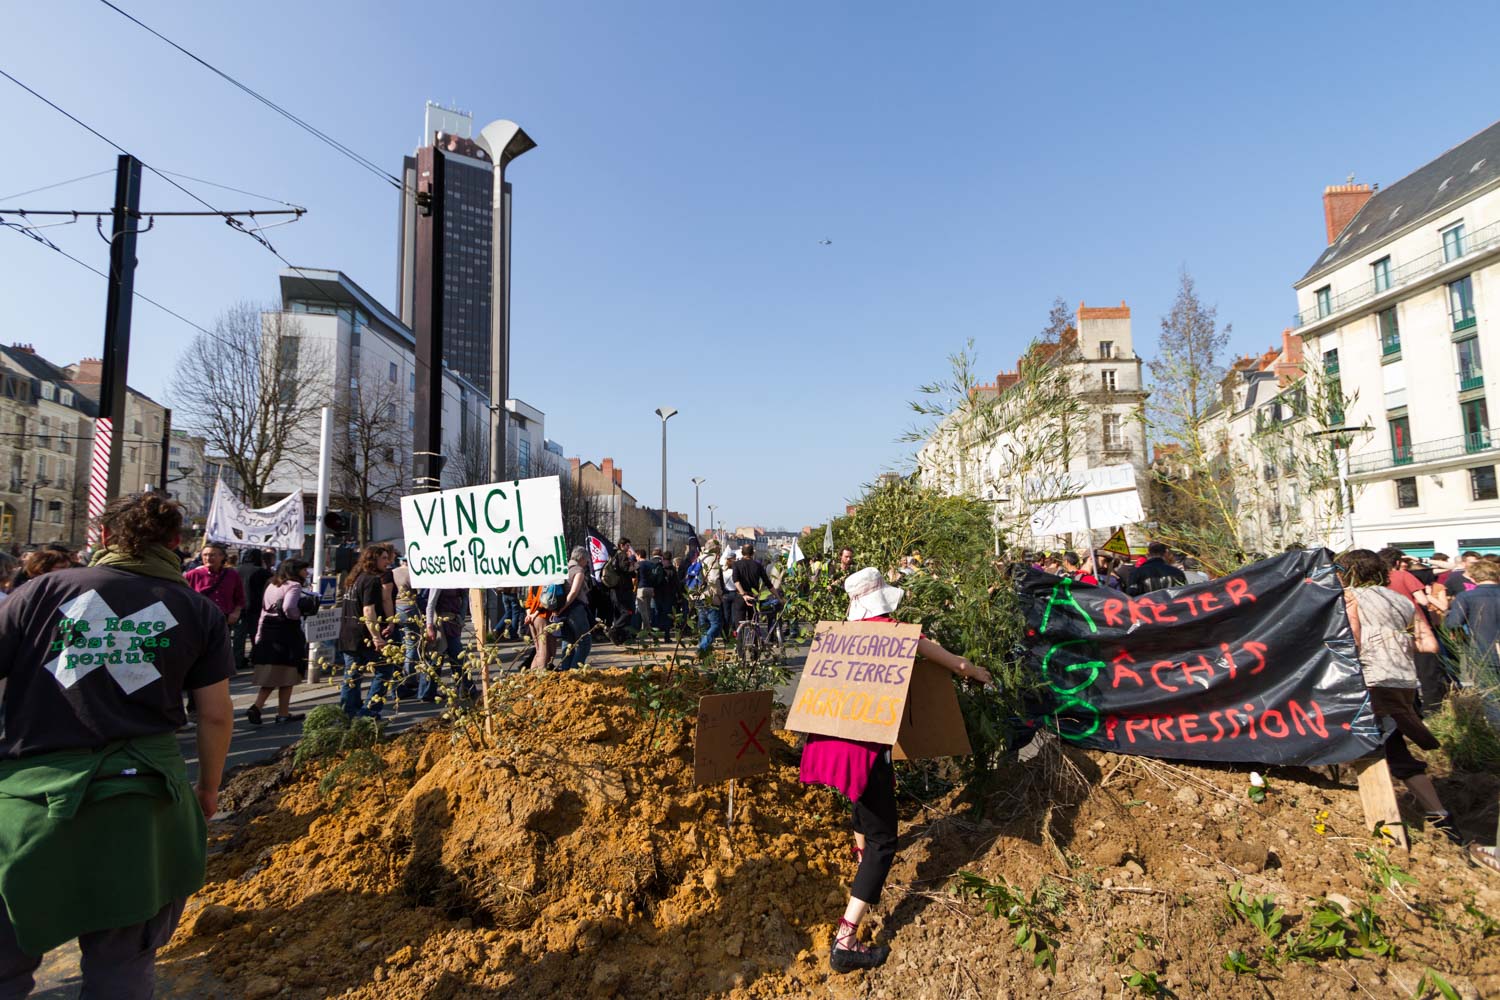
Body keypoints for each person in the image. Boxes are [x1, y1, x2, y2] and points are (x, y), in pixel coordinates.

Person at [0, 492, 233, 998]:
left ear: (104, 536)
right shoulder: (197, 610)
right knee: (122, 966)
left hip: (31, 806)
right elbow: (215, 713)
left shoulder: (41, 591)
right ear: (176, 543)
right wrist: (208, 788)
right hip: (142, 811)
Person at [801, 568, 992, 973]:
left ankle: (861, 868)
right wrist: (974, 672)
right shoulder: (896, 634)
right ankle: (845, 941)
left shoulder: (839, 637)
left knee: (861, 804)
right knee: (885, 841)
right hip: (864, 752)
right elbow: (949, 661)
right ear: (883, 601)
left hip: (829, 744)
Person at [1339, 549, 1456, 840]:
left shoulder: (1349, 597)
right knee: (1394, 744)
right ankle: (1441, 816)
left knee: (1381, 747)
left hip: (1371, 680)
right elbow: (1428, 644)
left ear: (1349, 571)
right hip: (1404, 681)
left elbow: (1351, 641)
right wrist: (1392, 641)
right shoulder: (1401, 601)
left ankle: (1389, 825)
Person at [247, 558, 316, 725]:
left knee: (274, 673)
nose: (306, 573)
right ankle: (278, 712)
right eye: (304, 569)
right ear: (294, 570)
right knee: (288, 673)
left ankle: (265, 708)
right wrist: (299, 614)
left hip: (268, 631)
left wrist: (258, 635)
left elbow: (264, 610)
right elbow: (289, 608)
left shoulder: (272, 584)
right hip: (286, 632)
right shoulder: (294, 585)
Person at [337, 545, 394, 718]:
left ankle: (348, 714)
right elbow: (368, 610)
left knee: (352, 675)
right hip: (363, 636)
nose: (388, 561)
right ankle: (369, 711)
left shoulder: (354, 579)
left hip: (347, 634)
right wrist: (376, 637)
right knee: (385, 670)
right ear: (373, 560)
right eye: (384, 558)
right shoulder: (371, 580)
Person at [1431, 556, 1500, 671]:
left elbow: (1454, 623)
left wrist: (1447, 614)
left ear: (1472, 578)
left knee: (1489, 687)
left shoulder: (1466, 596)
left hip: (1482, 651)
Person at [420, 589, 471, 702]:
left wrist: (461, 619)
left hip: (453, 623)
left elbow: (465, 599)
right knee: (445, 658)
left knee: (451, 658)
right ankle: (466, 689)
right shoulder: (439, 581)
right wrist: (429, 627)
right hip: (440, 625)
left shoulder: (457, 581)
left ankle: (464, 690)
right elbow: (430, 605)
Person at [185, 543, 245, 636]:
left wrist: (236, 613)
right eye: (205, 555)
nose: (208, 558)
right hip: (200, 620)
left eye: (212, 555)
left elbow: (240, 597)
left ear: (222, 556)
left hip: (224, 620)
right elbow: (183, 598)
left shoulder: (232, 574)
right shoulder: (192, 575)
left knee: (221, 649)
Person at [556, 547, 595, 671]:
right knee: (585, 642)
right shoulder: (578, 571)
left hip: (564, 610)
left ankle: (565, 671)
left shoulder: (563, 569)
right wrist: (564, 607)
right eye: (587, 560)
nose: (587, 563)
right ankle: (574, 670)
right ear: (582, 558)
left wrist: (560, 610)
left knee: (568, 641)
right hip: (575, 609)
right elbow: (574, 592)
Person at [234, 549, 272, 673]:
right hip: (256, 608)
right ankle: (256, 658)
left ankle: (237, 660)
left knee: (239, 636)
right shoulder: (262, 571)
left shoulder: (236, 570)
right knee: (256, 635)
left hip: (239, 608)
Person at [730, 543, 777, 635]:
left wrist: (743, 594)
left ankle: (739, 643)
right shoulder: (758, 565)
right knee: (754, 622)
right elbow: (768, 583)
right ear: (753, 553)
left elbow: (736, 581)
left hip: (740, 597)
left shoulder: (736, 564)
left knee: (739, 622)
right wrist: (778, 596)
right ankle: (755, 643)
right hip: (753, 596)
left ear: (741, 552)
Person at [695, 536, 726, 654]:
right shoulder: (712, 559)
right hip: (710, 596)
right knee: (716, 625)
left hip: (698, 595)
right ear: (715, 549)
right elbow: (714, 579)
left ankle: (704, 650)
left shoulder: (700, 558)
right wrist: (719, 593)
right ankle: (702, 647)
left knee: (703, 625)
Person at [524, 583, 558, 671]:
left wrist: (529, 615)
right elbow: (544, 602)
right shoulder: (546, 582)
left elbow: (528, 601)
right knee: (545, 648)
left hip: (532, 618)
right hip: (542, 617)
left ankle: (533, 672)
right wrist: (534, 615)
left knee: (539, 648)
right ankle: (541, 673)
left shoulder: (532, 583)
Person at [634, 549, 662, 642]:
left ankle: (648, 630)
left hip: (641, 588)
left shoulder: (639, 564)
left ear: (638, 555)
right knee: (648, 609)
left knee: (642, 611)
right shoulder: (651, 564)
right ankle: (646, 629)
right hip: (650, 589)